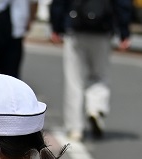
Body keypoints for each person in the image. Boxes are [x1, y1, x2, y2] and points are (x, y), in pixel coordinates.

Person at [49, 0, 133, 141]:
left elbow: (59, 2)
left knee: (74, 80)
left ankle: (75, 128)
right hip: (103, 29)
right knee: (100, 75)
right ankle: (96, 108)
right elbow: (123, 4)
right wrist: (124, 32)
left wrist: (56, 27)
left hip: (76, 28)